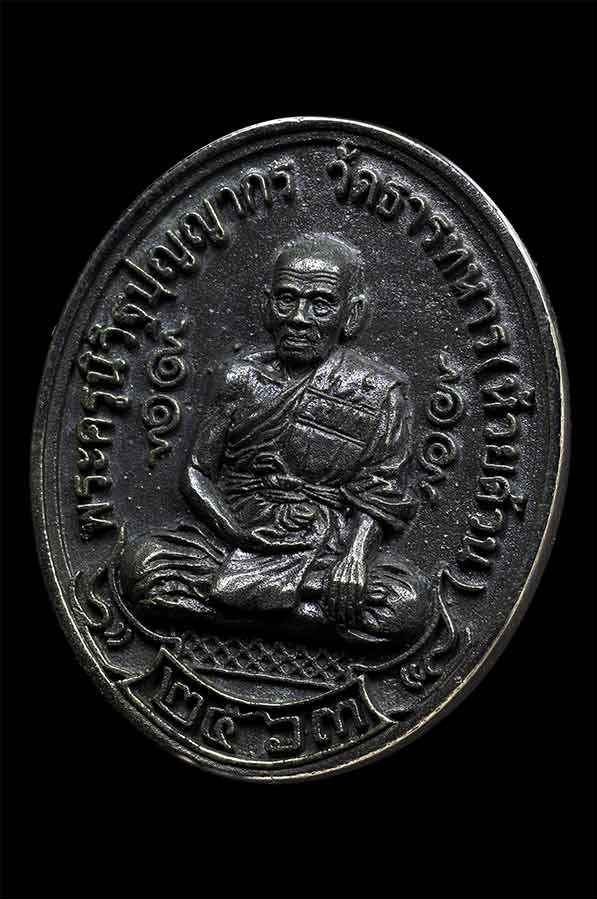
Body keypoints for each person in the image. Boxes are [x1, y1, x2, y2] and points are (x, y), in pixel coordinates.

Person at [119, 234, 433, 648]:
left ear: (351, 314)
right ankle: (297, 612)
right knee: (143, 565)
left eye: (321, 304)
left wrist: (355, 559)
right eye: (287, 299)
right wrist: (237, 534)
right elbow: (196, 473)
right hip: (236, 536)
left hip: (324, 548)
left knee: (406, 604)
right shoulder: (239, 378)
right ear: (267, 305)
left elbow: (381, 494)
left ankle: (238, 605)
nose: (299, 318)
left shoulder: (378, 391)